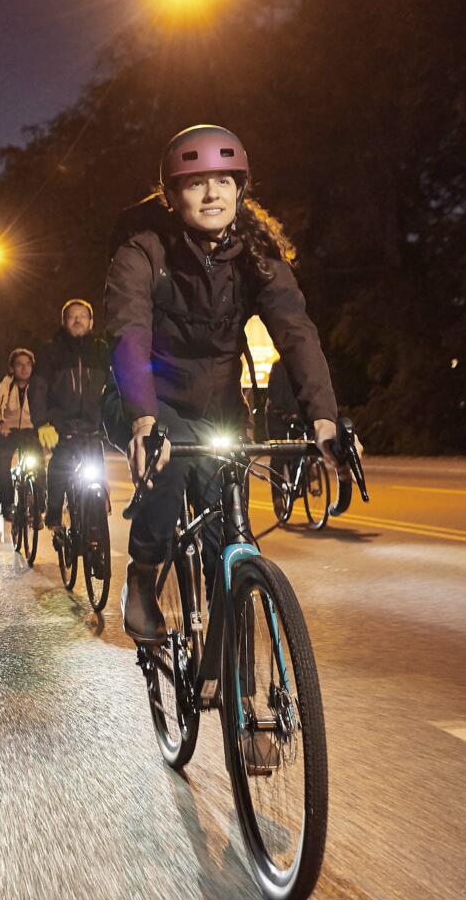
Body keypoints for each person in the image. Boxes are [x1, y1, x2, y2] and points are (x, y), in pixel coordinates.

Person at [104, 123, 358, 645]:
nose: (212, 193)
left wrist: (325, 419)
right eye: (196, 183)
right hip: (145, 401)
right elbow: (130, 333)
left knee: (230, 537)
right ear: (172, 195)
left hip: (218, 407)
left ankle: (228, 654)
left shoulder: (258, 257)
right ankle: (143, 576)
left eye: (224, 180)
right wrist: (145, 419)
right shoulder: (143, 253)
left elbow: (297, 334)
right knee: (169, 463)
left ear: (241, 189)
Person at [31, 299, 110, 532]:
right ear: (64, 321)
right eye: (72, 316)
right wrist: (42, 423)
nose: (77, 320)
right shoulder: (50, 351)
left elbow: (118, 385)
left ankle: (97, 519)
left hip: (93, 428)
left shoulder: (101, 350)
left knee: (98, 479)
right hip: (61, 427)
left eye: (82, 316)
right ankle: (54, 515)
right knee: (59, 470)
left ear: (91, 321)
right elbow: (38, 388)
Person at [0, 348, 39, 517]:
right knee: (3, 465)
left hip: (30, 430)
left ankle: (38, 506)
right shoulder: (5, 384)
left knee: (39, 466)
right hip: (8, 431)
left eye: (27, 365)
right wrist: (0, 423)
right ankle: (7, 503)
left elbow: (44, 407)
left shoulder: (38, 385)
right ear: (12, 368)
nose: (24, 368)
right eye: (19, 365)